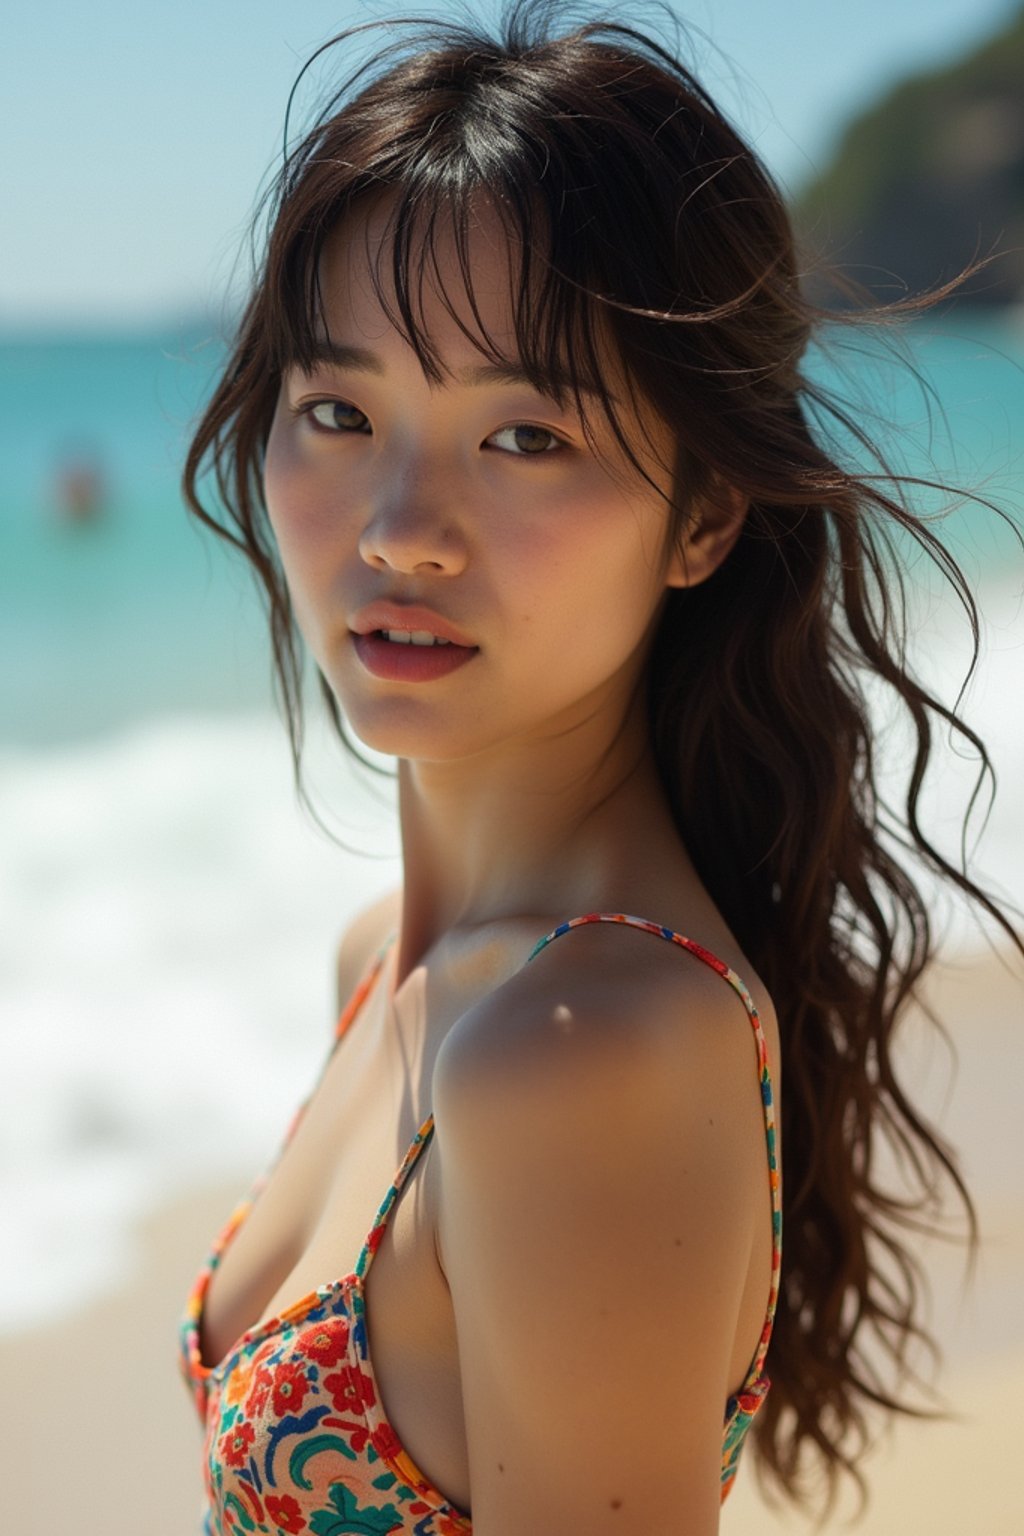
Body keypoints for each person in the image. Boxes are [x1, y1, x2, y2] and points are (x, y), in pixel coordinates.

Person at [177, 4, 1020, 1532]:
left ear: (703, 517)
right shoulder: (394, 965)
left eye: (526, 437)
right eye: (339, 412)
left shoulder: (589, 1048)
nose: (398, 529)